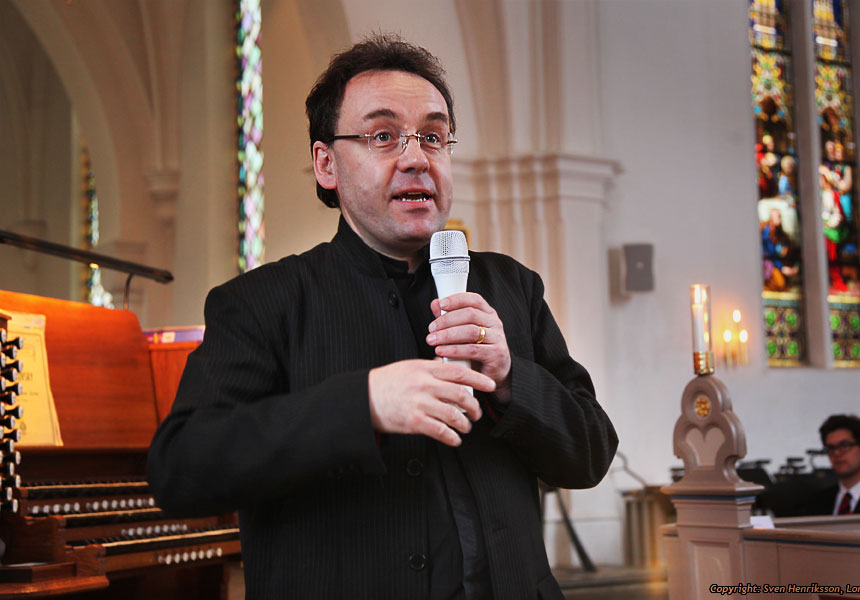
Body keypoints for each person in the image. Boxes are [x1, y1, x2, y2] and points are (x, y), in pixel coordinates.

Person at [147, 34, 618, 600]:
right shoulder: (262, 303)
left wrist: (512, 377)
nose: (417, 157)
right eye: (383, 136)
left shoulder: (511, 286)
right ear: (327, 165)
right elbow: (182, 468)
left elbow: (591, 454)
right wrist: (363, 405)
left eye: (434, 136)